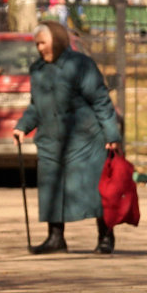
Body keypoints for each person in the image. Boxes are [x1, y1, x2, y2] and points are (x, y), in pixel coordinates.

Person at [12, 21, 122, 255]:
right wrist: (23, 126)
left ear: (58, 40)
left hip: (85, 139)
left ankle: (105, 236)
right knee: (51, 188)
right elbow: (36, 105)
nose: (40, 48)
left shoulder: (81, 65)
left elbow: (101, 100)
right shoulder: (38, 70)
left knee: (94, 190)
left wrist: (111, 134)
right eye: (37, 44)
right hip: (51, 141)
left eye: (44, 43)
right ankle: (55, 238)